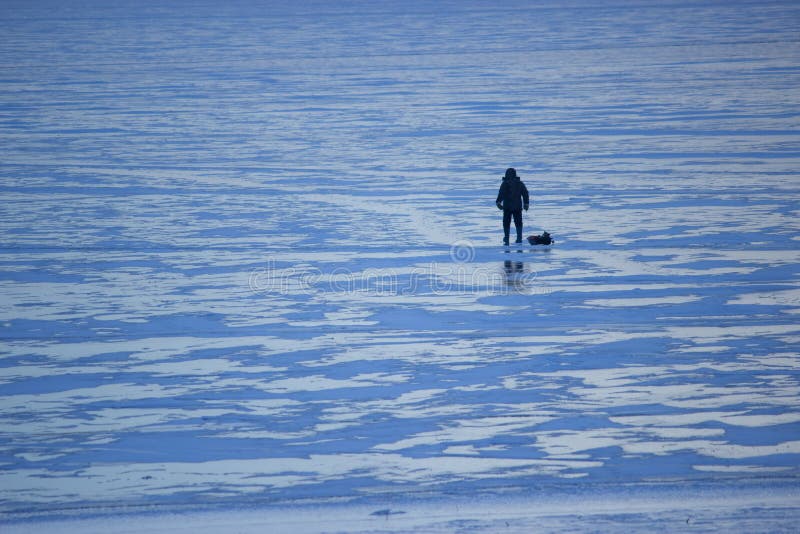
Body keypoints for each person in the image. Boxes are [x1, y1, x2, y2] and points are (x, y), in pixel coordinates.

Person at [495, 168, 529, 245]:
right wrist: (526, 203)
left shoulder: (505, 183)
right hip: (517, 207)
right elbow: (525, 193)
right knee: (518, 222)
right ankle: (519, 238)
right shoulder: (519, 183)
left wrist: (498, 202)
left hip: (507, 207)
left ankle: (506, 238)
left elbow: (501, 194)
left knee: (506, 222)